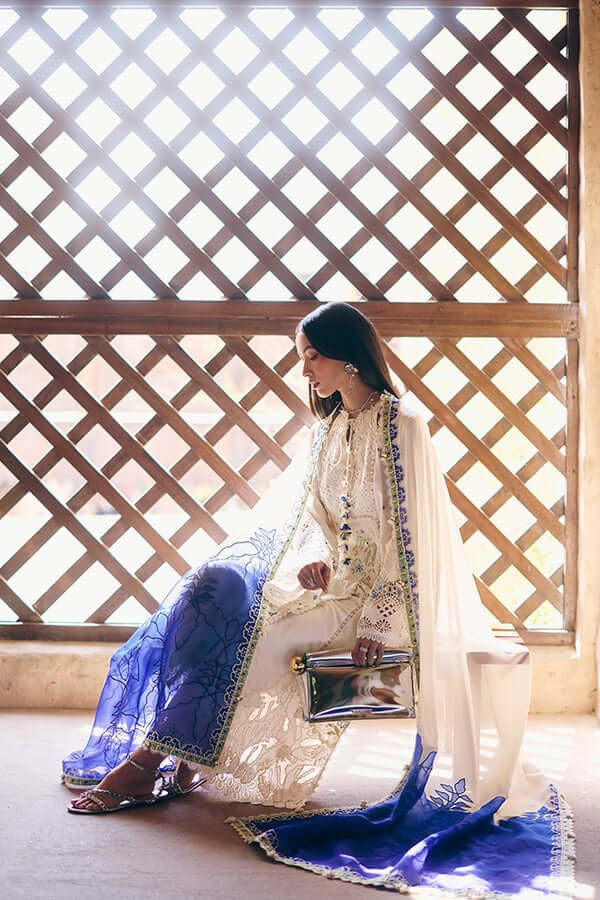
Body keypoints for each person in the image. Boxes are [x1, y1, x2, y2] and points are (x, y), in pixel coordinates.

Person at [63, 303, 574, 897]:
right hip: (324, 589)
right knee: (219, 601)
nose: (304, 368)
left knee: (256, 644)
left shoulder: (402, 424)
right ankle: (177, 757)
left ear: (349, 357)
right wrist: (316, 557)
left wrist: (379, 627)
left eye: (312, 355)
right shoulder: (328, 430)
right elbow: (312, 519)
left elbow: (411, 545)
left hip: (381, 608)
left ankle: (149, 765)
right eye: (301, 356)